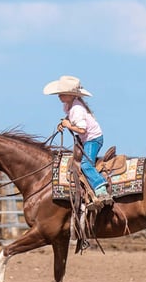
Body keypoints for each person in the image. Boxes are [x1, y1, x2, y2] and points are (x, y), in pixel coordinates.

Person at [43, 75, 112, 205]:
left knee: (86, 165)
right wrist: (64, 122)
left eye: (62, 93)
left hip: (93, 139)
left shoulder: (77, 109)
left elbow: (82, 130)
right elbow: (70, 118)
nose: (59, 96)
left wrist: (68, 125)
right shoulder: (69, 106)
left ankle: (101, 189)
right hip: (87, 139)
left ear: (71, 95)